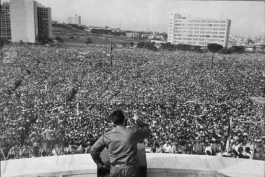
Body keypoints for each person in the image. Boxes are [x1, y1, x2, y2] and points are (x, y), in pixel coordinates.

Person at [90, 110, 150, 177]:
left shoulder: (107, 135)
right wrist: (138, 120)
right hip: (131, 170)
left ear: (113, 122)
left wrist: (101, 164)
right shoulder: (132, 132)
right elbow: (147, 131)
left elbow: (93, 150)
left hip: (115, 170)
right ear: (124, 120)